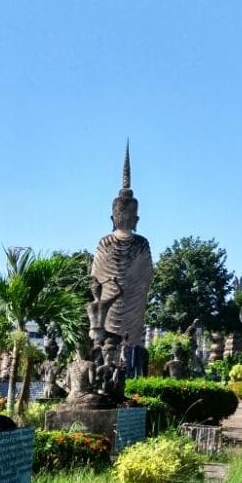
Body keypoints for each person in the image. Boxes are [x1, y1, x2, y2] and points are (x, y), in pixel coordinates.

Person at [90, 145, 153, 349]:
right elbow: (148, 276)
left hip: (125, 303)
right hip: (118, 304)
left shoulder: (105, 243)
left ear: (112, 219)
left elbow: (95, 281)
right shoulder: (141, 244)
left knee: (118, 344)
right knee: (122, 345)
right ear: (137, 219)